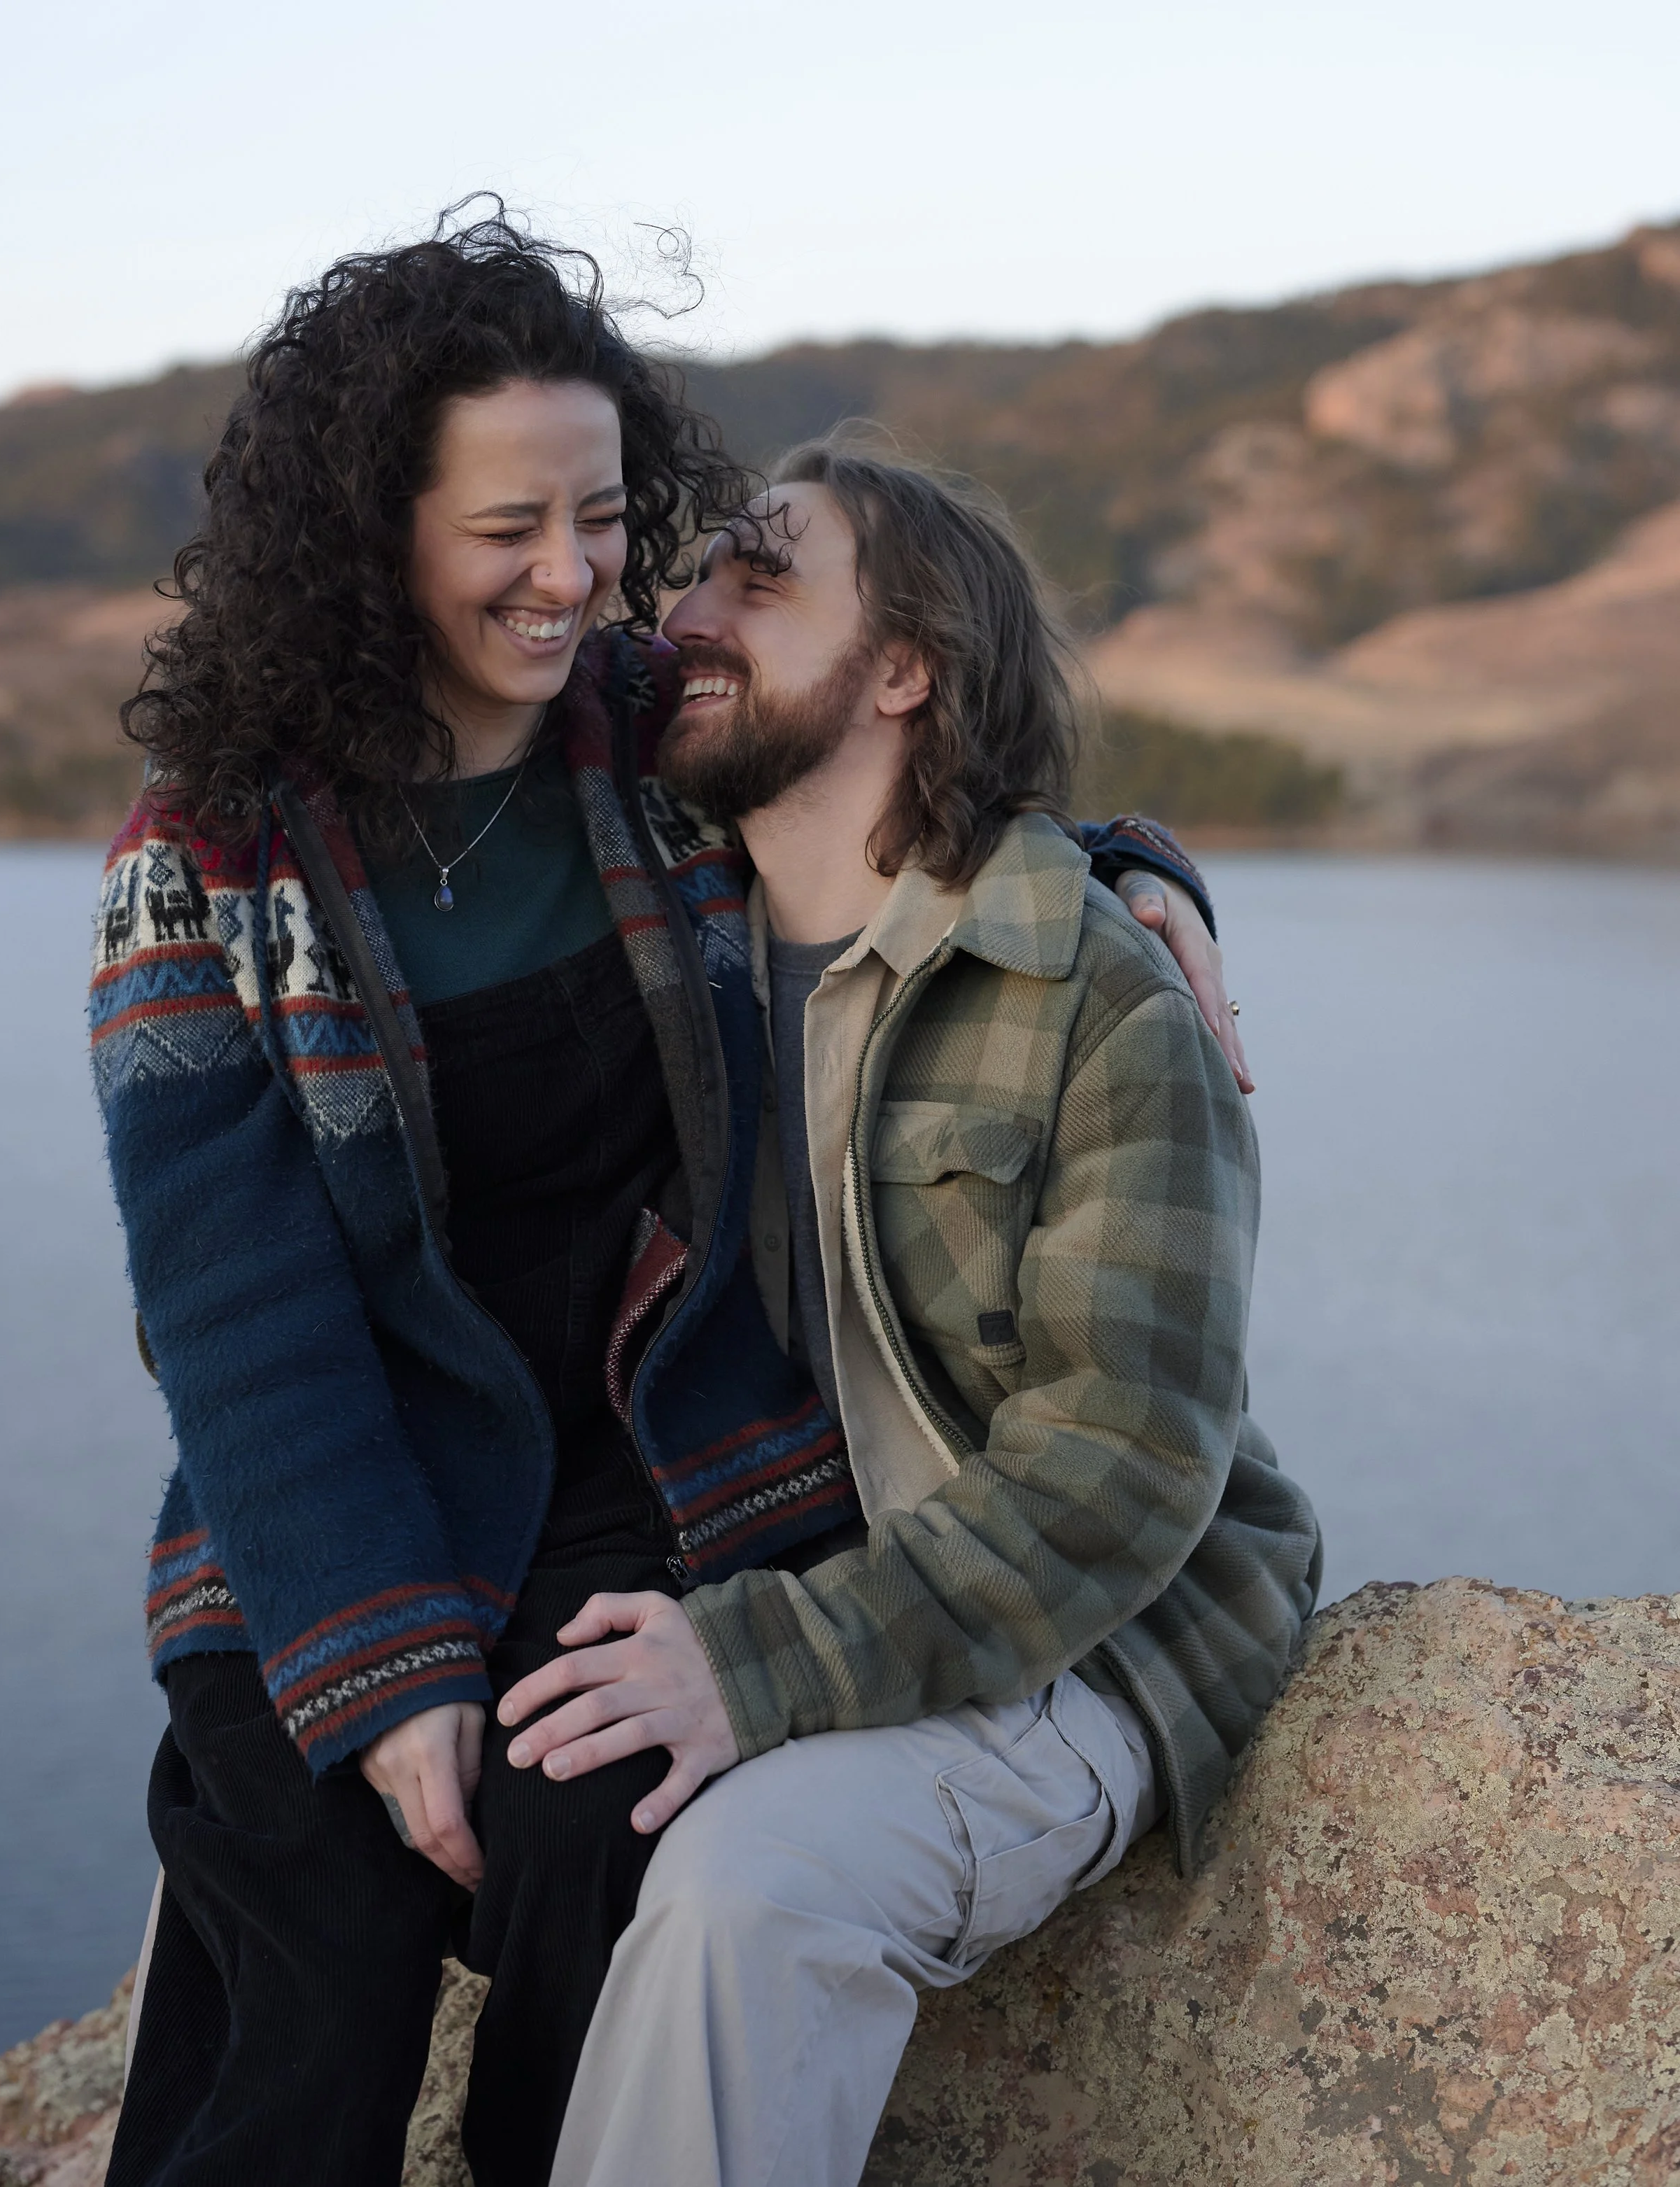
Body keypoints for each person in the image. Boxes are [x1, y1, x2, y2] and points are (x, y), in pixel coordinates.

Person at [90, 211, 1231, 2187]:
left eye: (605, 517)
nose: (575, 577)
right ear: (373, 535)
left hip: (656, 1473)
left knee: (590, 1835)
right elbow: (235, 1305)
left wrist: (1136, 868)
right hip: (343, 1479)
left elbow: (901, 767)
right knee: (328, 1919)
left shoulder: (639, 736)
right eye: (506, 529)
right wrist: (379, 1673)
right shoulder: (202, 860)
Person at [487, 441, 1324, 2187]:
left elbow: (1118, 1473)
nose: (682, 616)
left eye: (757, 579)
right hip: (818, 1578)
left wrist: (756, 1664)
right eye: (695, 571)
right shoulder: (666, 936)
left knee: (747, 1893)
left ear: (901, 667)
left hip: (1083, 1637)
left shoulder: (1097, 992)